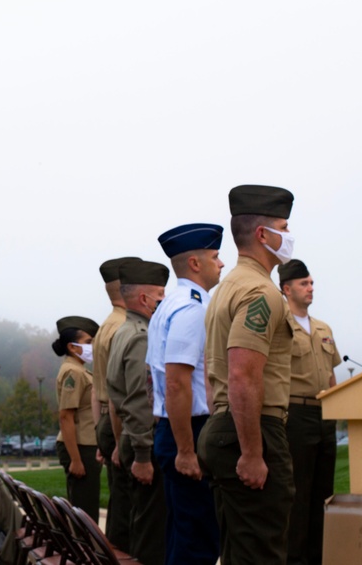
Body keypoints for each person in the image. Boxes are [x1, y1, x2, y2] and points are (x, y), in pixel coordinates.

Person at [198, 184, 297, 565]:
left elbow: (213, 371)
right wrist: (253, 452)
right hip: (253, 430)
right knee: (261, 553)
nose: (288, 237)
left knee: (239, 551)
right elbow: (242, 375)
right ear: (263, 235)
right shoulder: (260, 292)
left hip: (226, 425)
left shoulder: (226, 288)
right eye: (283, 228)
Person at [148, 224, 224, 565]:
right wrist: (186, 451)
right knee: (198, 543)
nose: (221, 263)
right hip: (188, 429)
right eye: (215, 256)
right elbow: (177, 381)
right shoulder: (192, 308)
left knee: (183, 537)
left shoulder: (169, 304)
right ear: (195, 263)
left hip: (175, 427)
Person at [279, 259, 341, 565]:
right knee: (298, 495)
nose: (311, 288)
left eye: (312, 283)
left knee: (323, 494)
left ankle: (318, 557)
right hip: (296, 415)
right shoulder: (280, 325)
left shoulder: (323, 328)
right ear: (286, 289)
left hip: (325, 414)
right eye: (304, 284)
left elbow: (331, 375)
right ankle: (295, 559)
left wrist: (337, 405)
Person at [107, 259, 169, 565]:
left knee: (142, 523)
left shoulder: (123, 331)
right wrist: (144, 455)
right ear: (143, 298)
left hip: (135, 437)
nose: (165, 299)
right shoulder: (142, 336)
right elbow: (140, 399)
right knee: (152, 533)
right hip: (146, 440)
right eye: (160, 294)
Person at [91, 256, 139, 548]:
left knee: (120, 500)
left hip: (109, 419)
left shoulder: (104, 328)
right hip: (120, 420)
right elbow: (118, 391)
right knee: (128, 507)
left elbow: (100, 391)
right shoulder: (123, 327)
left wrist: (101, 434)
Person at [52, 315, 102, 521]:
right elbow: (66, 416)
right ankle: (85, 551)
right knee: (85, 512)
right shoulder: (74, 372)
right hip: (80, 447)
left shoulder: (79, 370)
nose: (92, 346)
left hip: (85, 446)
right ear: (72, 347)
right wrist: (76, 459)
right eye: (88, 342)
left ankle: (84, 550)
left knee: (85, 507)